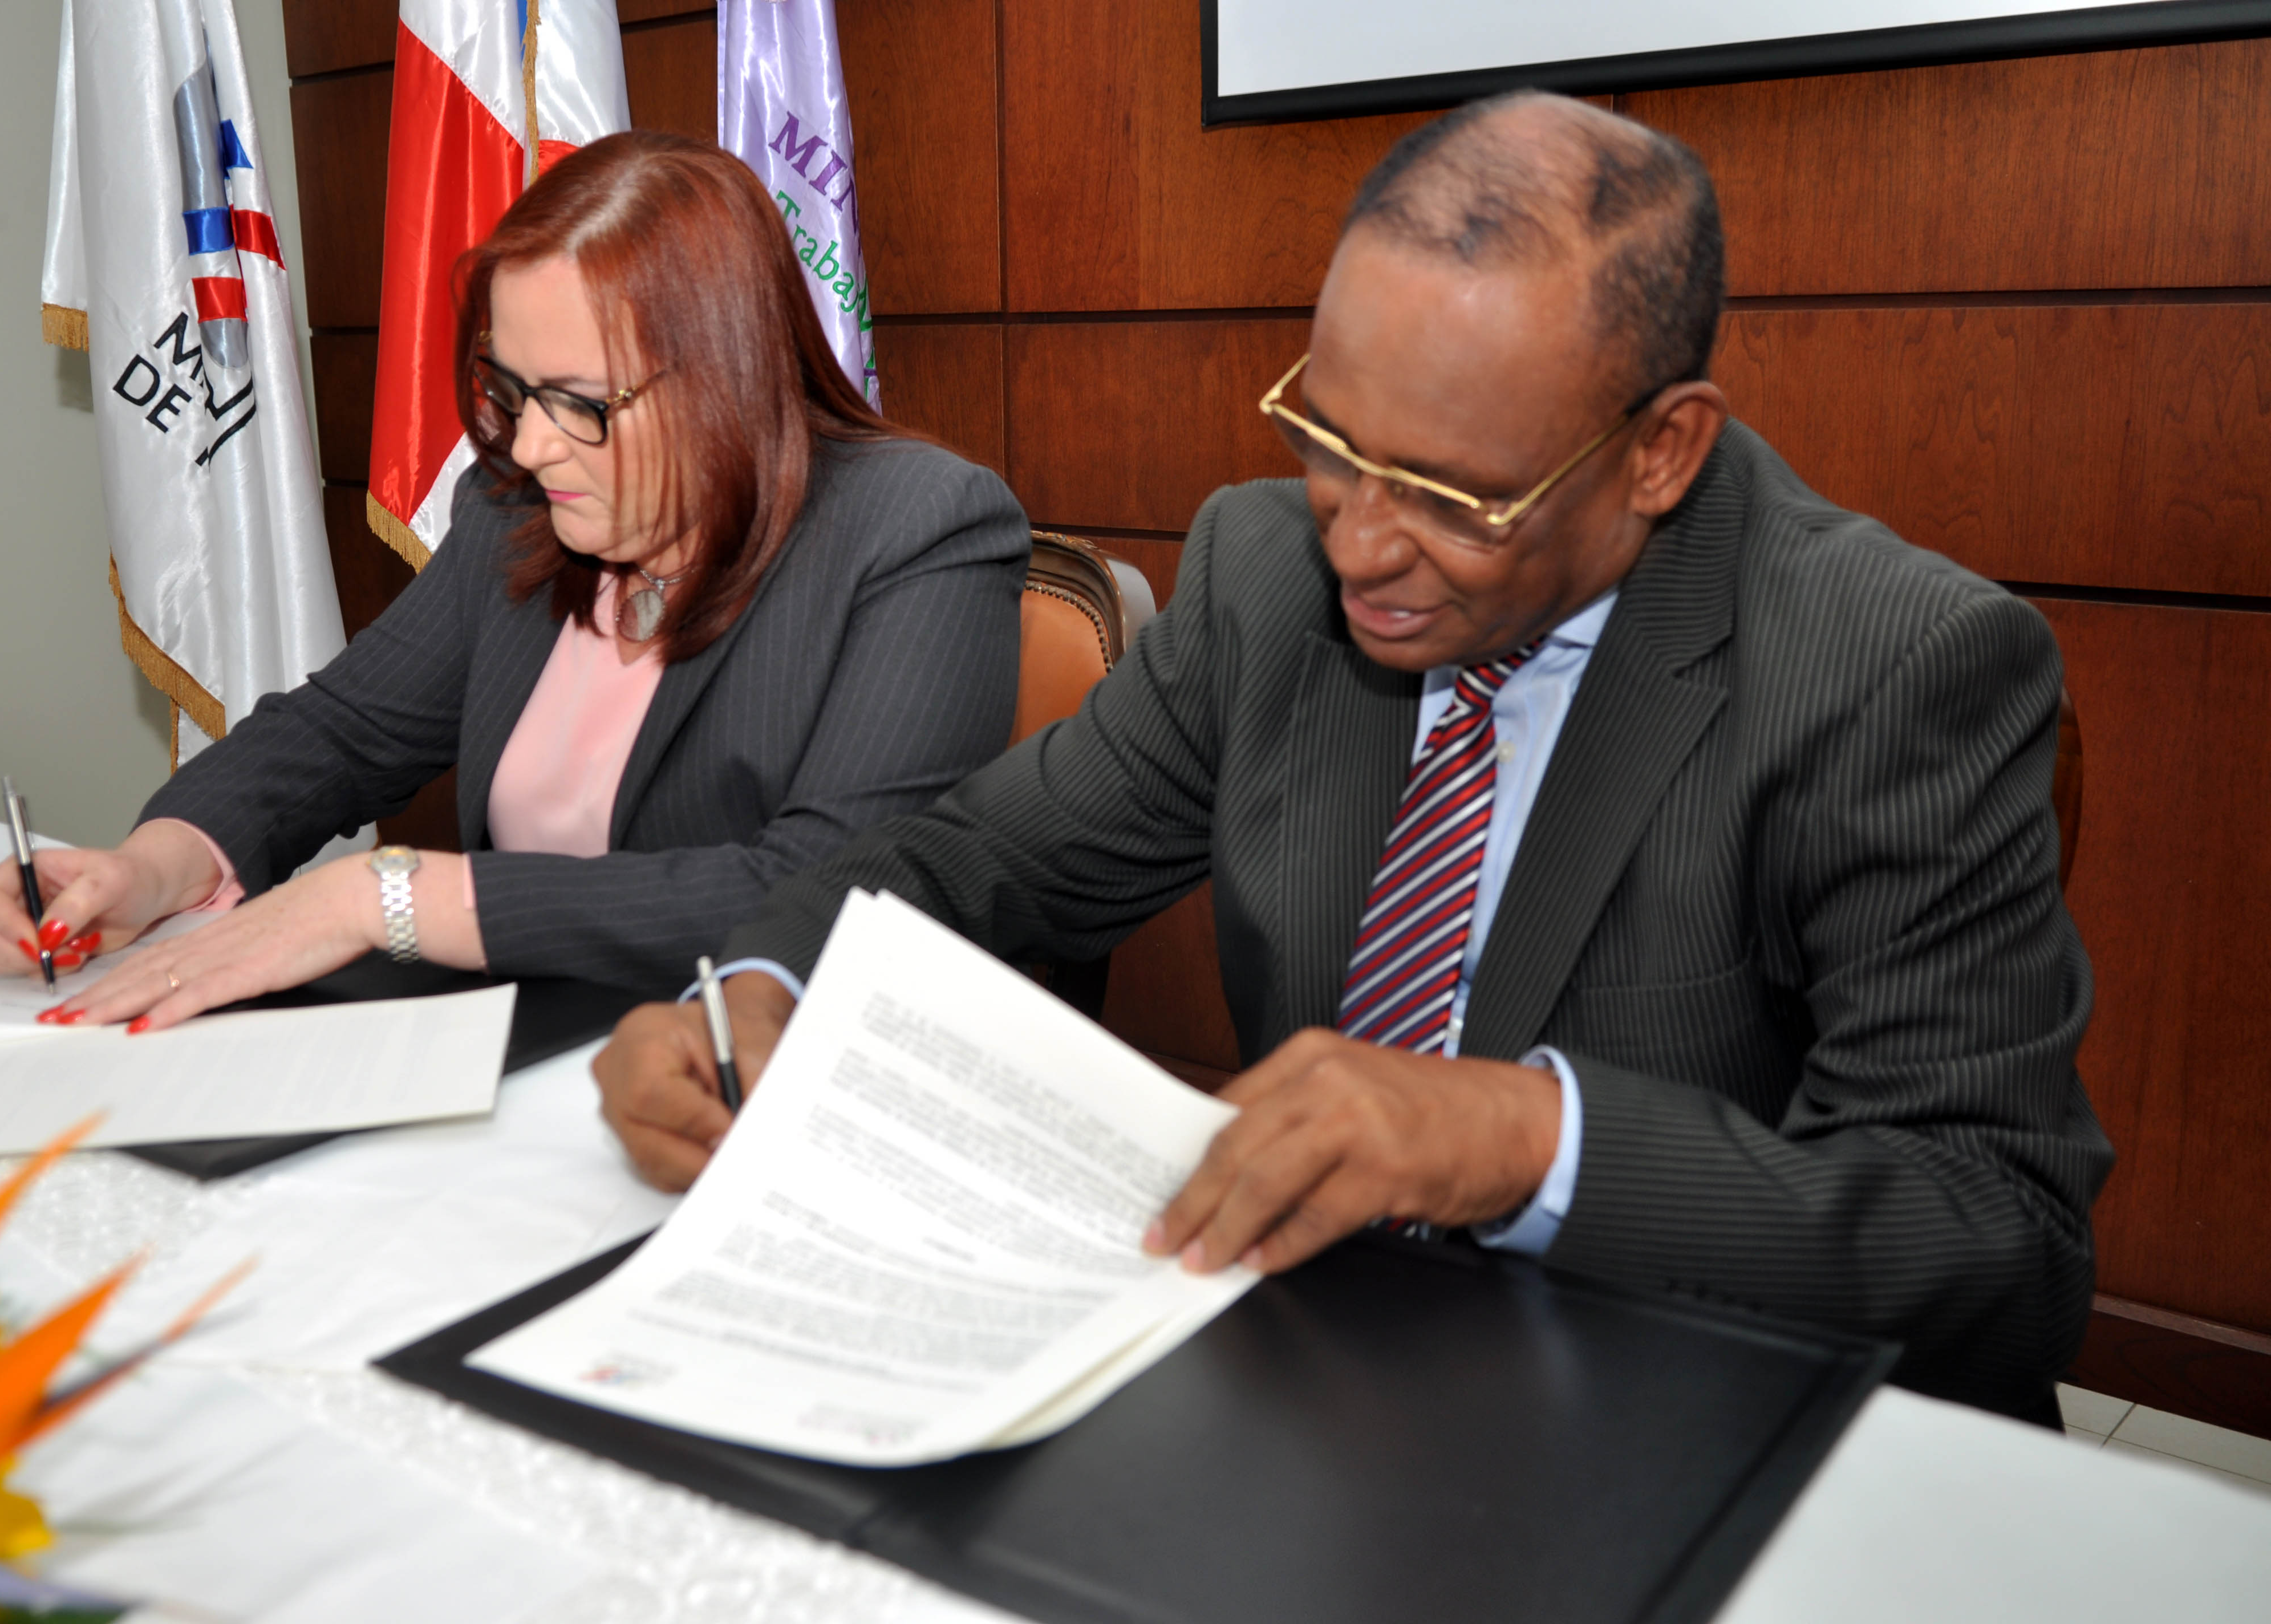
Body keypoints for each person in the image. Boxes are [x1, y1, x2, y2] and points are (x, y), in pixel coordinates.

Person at [590, 94, 2114, 1423]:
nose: (1364, 545)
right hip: (1332, 1373)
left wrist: (1526, 1137)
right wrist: (756, 992)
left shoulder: (1892, 669)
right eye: (1329, 437)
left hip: (1705, 1410)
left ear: (1662, 450)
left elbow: (1997, 1239)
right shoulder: (1266, 576)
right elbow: (972, 860)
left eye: (1457, 498)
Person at [0, 132, 1030, 1026]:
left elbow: (823, 890)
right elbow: (339, 733)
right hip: (506, 1050)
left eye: (578, 401)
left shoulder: (919, 529)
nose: (527, 445)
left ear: (725, 379)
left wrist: (388, 897)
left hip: (730, 1086)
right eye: (509, 390)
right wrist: (157, 866)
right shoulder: (519, 509)